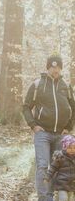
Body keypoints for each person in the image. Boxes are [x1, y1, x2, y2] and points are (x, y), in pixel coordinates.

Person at [22, 54, 75, 201]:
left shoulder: (67, 86)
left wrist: (69, 126)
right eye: (53, 66)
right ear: (48, 68)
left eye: (58, 66)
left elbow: (74, 107)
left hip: (61, 135)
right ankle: (45, 198)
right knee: (43, 166)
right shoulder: (38, 84)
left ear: (61, 68)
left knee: (56, 167)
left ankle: (50, 196)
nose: (55, 69)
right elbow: (26, 107)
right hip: (42, 133)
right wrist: (33, 125)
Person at [44, 135, 75, 201]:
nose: (72, 150)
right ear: (64, 147)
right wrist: (47, 177)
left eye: (74, 148)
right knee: (63, 199)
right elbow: (53, 168)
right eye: (70, 148)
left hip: (72, 185)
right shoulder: (60, 157)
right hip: (61, 184)